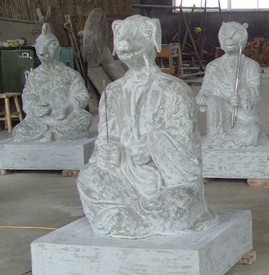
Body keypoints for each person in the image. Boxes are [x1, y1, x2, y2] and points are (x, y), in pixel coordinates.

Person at [77, 15, 216, 239]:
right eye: (122, 38)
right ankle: (128, 213)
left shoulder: (174, 90)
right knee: (88, 176)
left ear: (152, 40)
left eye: (136, 37)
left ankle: (126, 215)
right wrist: (107, 151)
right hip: (125, 175)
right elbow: (105, 137)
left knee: (179, 203)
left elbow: (186, 145)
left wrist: (151, 145)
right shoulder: (113, 92)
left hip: (167, 182)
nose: (126, 45)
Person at [12, 23, 91, 142]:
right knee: (19, 130)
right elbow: (28, 96)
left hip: (66, 119)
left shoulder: (70, 74)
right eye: (39, 47)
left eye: (48, 47)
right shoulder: (34, 76)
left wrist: (69, 106)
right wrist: (34, 108)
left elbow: (83, 95)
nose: (42, 53)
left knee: (84, 119)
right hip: (40, 121)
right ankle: (53, 134)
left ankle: (52, 134)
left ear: (56, 49)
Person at [196, 22, 268, 148]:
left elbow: (255, 90)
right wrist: (203, 96)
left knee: (250, 134)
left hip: (242, 115)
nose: (229, 39)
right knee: (213, 100)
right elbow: (206, 88)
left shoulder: (251, 65)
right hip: (221, 112)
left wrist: (241, 97)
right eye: (225, 35)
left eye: (234, 35)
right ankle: (216, 136)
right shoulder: (213, 66)